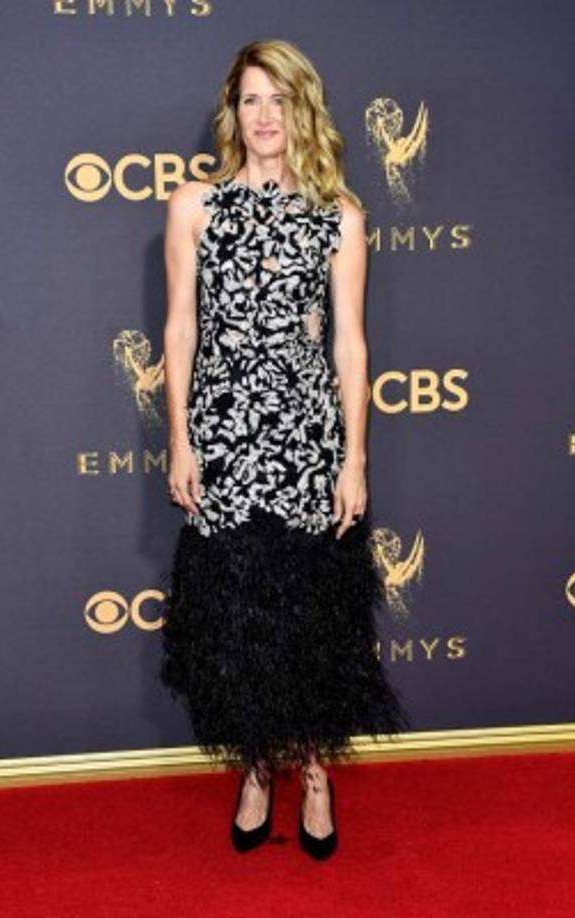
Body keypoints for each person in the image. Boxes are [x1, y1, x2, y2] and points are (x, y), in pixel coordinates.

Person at [158, 38, 409, 860]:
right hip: (223, 434)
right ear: (232, 113)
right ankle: (257, 770)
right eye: (250, 100)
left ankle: (314, 772)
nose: (264, 115)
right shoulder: (194, 205)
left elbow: (349, 346)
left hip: (306, 439)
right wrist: (180, 439)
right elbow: (181, 329)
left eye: (279, 99)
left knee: (306, 616)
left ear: (303, 108)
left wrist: (354, 459)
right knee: (236, 616)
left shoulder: (340, 215)